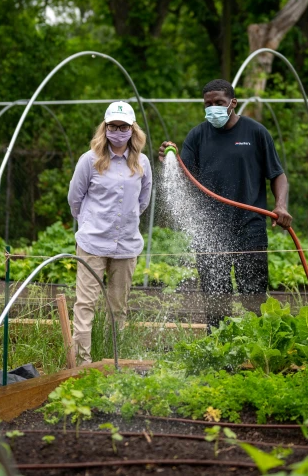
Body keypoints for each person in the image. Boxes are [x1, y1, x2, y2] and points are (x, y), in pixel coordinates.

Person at [158, 79, 292, 330]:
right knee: (215, 297)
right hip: (210, 230)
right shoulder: (197, 136)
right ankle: (219, 353)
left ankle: (259, 350)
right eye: (208, 104)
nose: (213, 109)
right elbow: (186, 176)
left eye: (219, 103)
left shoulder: (255, 132)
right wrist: (171, 157)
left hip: (249, 226)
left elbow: (277, 174)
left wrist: (281, 205)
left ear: (233, 102)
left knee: (254, 295)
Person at [68, 101, 152, 365]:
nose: (118, 131)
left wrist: (124, 221)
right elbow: (75, 198)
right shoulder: (90, 161)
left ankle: (113, 361)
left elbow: (143, 200)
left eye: (123, 126)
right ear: (105, 128)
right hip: (93, 243)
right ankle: (82, 363)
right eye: (113, 126)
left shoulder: (141, 163)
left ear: (132, 129)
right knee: (85, 304)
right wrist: (91, 223)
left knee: (118, 307)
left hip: (126, 245)